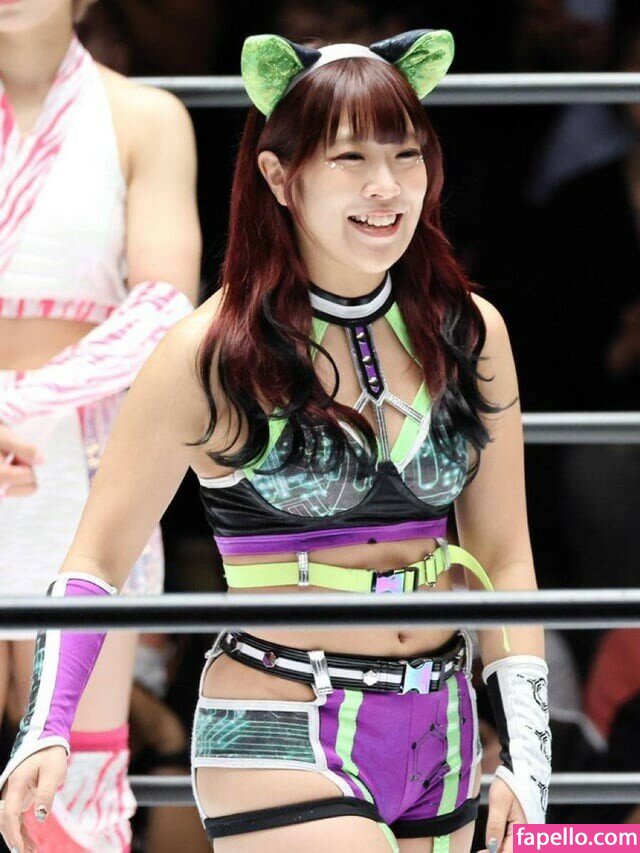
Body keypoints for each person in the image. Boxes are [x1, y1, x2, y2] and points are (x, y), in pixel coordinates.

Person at [0, 28, 550, 853]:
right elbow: (98, 558)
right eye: (350, 158)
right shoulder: (209, 352)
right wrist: (46, 726)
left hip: (446, 729)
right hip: (279, 724)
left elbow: (505, 555)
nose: (386, 186)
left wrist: (531, 755)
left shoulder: (471, 332)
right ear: (278, 175)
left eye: (406, 155)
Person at [0, 0, 200, 848]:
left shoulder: (144, 116)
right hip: (44, 434)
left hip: (82, 458)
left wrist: (15, 404)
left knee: (73, 784)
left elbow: (164, 306)